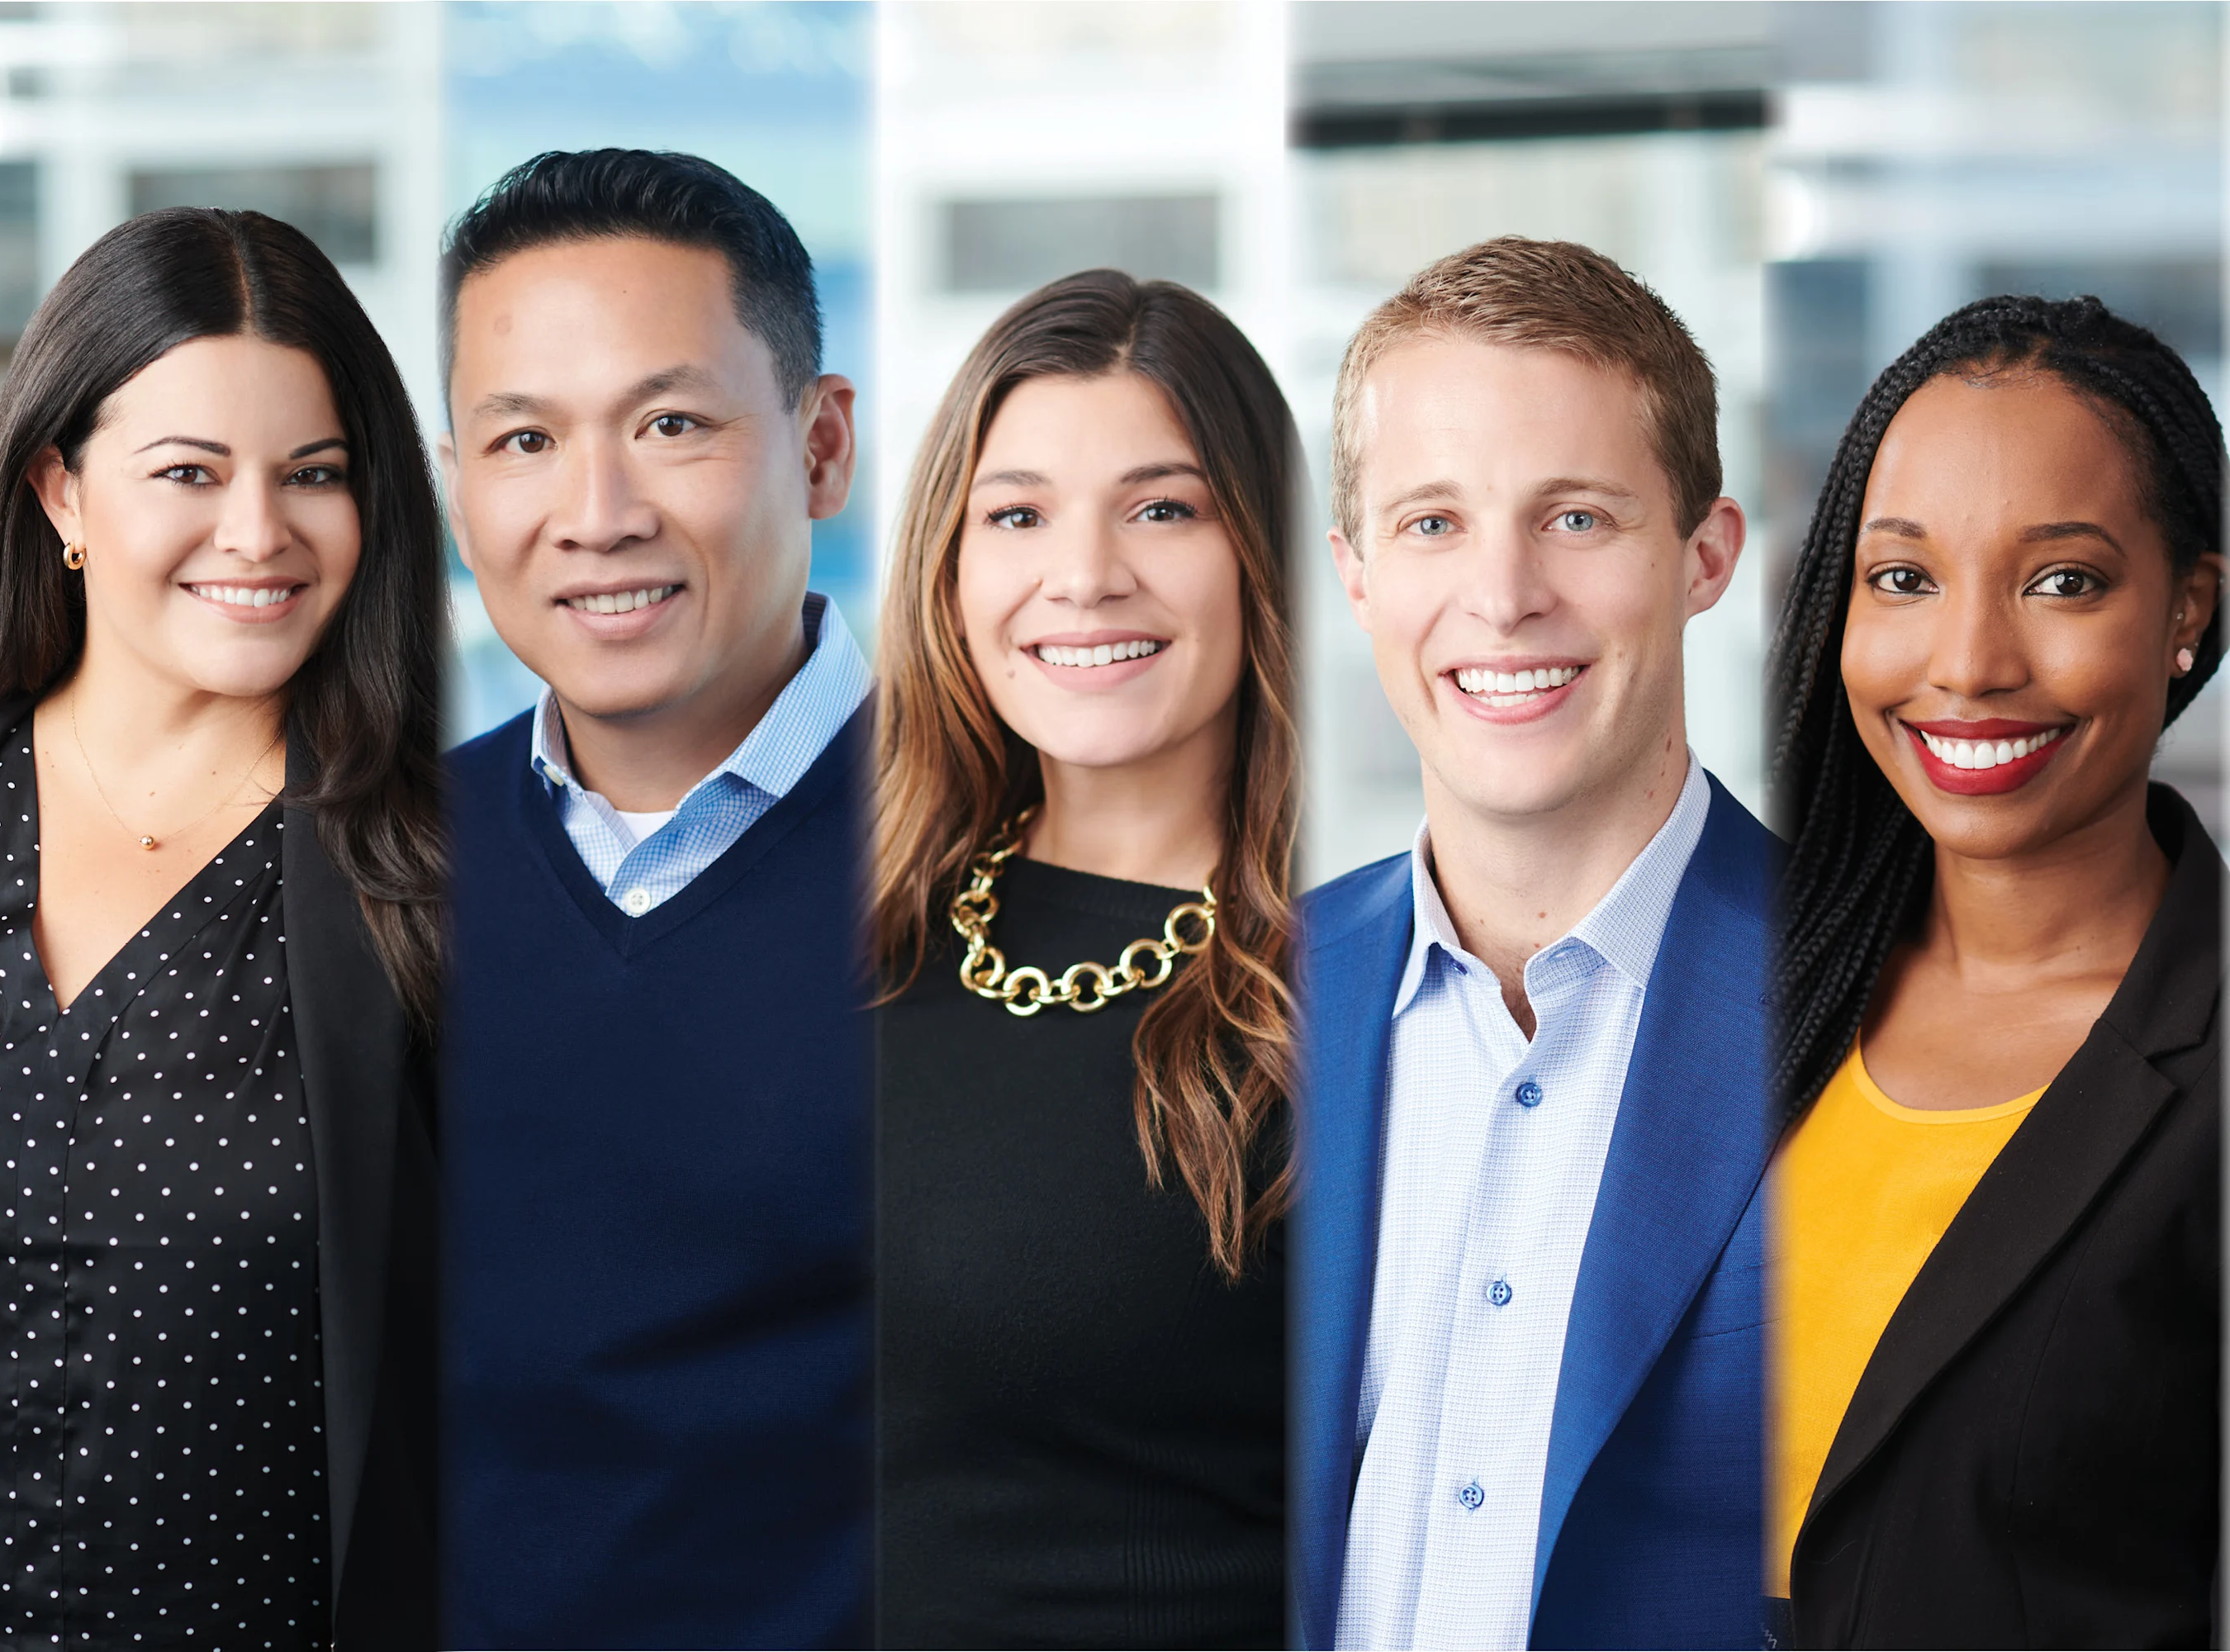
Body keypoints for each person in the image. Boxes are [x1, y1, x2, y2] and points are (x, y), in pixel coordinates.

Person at [0, 205, 444, 1651]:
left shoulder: (440, 876)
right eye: (189, 471)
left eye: (315, 475)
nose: (259, 533)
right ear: (61, 492)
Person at [1290, 237, 1769, 1650]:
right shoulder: (1237, 1003)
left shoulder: (1892, 993)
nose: (1502, 597)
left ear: (1705, 557)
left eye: (1576, 518)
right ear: (1358, 573)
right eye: (1433, 523)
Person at [439, 148, 870, 1650]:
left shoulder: (1004, 849)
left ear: (821, 447)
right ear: (455, 487)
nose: (596, 512)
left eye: (672, 424)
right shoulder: (377, 872)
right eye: (524, 443)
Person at [1767, 296, 2222, 1647]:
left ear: (2188, 609)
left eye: (2062, 580)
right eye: (1904, 579)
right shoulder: (1740, 992)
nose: (1968, 666)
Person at [869, 270, 1298, 1649]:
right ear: (952, 562)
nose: (1085, 575)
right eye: (1019, 513)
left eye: (1163, 508)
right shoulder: (854, 935)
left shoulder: (1359, 989)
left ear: (1267, 556)